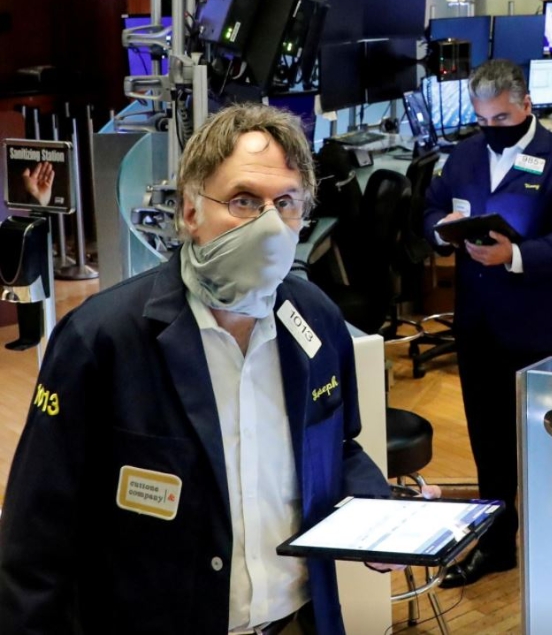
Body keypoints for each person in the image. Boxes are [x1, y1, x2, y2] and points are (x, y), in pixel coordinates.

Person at [0, 104, 423, 635]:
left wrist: (378, 516)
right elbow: (37, 536)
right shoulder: (101, 340)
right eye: (244, 201)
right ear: (190, 212)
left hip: (298, 620)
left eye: (285, 203)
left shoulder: (315, 319)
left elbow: (338, 446)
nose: (268, 226)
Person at [423, 59, 552, 587]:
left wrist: (515, 256)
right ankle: (497, 546)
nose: (491, 128)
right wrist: (442, 230)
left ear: (526, 105)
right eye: (482, 120)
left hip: (539, 326)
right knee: (489, 441)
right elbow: (430, 210)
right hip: (478, 324)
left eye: (501, 118)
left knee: (548, 443)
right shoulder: (463, 155)